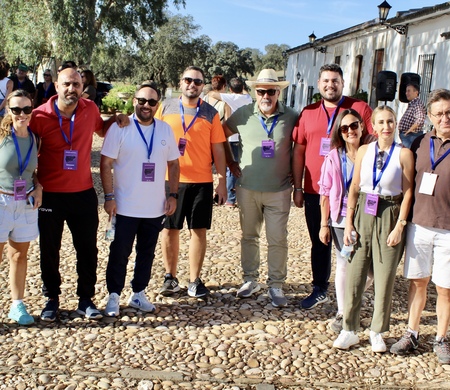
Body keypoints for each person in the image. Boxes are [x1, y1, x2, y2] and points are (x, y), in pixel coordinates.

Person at [30, 68, 127, 322]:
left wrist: (116, 119)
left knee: (87, 249)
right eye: (66, 84)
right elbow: (26, 153)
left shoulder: (90, 109)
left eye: (76, 84)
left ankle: (86, 299)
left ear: (82, 86)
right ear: (57, 86)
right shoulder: (39, 116)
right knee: (49, 250)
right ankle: (51, 298)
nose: (71, 89)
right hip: (50, 195)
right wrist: (33, 182)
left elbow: (102, 129)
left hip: (83, 194)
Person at [332, 106, 414, 352]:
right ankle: (349, 328)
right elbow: (355, 188)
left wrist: (400, 225)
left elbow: (408, 192)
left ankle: (377, 330)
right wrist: (348, 223)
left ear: (395, 124)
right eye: (381, 122)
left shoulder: (404, 154)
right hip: (363, 215)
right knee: (355, 273)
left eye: (390, 121)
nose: (386, 126)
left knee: (384, 276)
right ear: (374, 126)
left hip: (390, 213)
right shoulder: (365, 151)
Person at [292, 63, 374, 310]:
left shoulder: (359, 108)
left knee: (354, 241)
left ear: (342, 83)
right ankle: (320, 288)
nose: (330, 85)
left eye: (335, 80)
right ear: (319, 85)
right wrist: (297, 186)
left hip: (353, 191)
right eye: (326, 81)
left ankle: (356, 286)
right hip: (316, 191)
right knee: (320, 239)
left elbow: (372, 143)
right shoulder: (308, 112)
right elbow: (299, 151)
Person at [100, 81, 180, 317]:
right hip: (124, 206)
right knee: (119, 253)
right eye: (142, 100)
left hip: (154, 208)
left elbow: (174, 164)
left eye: (152, 102)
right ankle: (113, 295)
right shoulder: (120, 127)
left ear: (157, 105)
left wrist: (172, 195)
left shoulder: (165, 129)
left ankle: (138, 293)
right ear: (134, 101)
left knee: (147, 252)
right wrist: (109, 196)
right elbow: (105, 164)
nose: (146, 105)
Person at [223, 68, 299, 307]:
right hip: (247, 188)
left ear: (278, 92)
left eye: (271, 91)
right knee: (249, 236)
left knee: (277, 238)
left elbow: (303, 145)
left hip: (279, 189)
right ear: (255, 92)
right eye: (261, 91)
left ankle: (276, 284)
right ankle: (250, 279)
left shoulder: (292, 116)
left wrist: (298, 175)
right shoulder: (242, 114)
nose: (266, 96)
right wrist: (230, 162)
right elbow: (220, 135)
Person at [155, 66, 227, 298]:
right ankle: (170, 277)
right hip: (169, 180)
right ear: (180, 82)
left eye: (197, 82)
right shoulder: (164, 107)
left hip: (201, 181)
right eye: (188, 80)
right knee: (169, 229)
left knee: (198, 230)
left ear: (203, 86)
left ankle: (194, 280)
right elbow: (150, 133)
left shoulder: (210, 114)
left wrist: (222, 180)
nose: (192, 85)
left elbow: (218, 148)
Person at [390, 89, 450, 364]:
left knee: (445, 288)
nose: (445, 118)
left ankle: (441, 339)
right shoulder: (418, 143)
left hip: (448, 228)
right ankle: (412, 333)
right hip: (419, 224)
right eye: (439, 113)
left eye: (449, 113)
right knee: (418, 281)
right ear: (429, 116)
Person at [318, 109, 373, 332]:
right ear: (339, 133)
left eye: (354, 126)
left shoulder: (372, 152)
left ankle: (351, 301)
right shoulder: (333, 157)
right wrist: (324, 224)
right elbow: (325, 191)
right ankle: (343, 312)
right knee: (343, 264)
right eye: (344, 128)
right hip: (341, 218)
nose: (350, 131)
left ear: (361, 126)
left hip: (368, 216)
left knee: (369, 271)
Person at [0, 90, 43, 325]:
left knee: (19, 256)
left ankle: (17, 305)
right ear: (9, 110)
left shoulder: (35, 138)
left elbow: (31, 171)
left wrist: (39, 187)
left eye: (27, 109)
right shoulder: (0, 135)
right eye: (16, 109)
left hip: (25, 202)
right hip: (1, 200)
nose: (22, 114)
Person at [207, 77, 252, 207]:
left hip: (230, 137)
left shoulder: (229, 98)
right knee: (237, 166)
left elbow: (212, 93)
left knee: (230, 167)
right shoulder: (248, 98)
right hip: (242, 137)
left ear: (230, 88)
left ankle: (230, 199)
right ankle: (233, 195)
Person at [398, 83, 426, 148]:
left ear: (416, 92)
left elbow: (420, 119)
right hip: (409, 136)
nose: (406, 93)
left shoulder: (417, 104)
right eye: (406, 91)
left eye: (409, 91)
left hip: (411, 136)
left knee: (409, 155)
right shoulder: (413, 104)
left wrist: (410, 130)